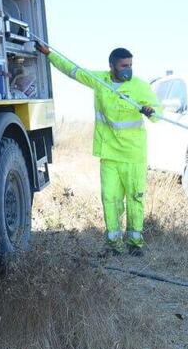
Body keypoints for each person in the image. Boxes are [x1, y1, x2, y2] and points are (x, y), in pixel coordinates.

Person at [36, 42, 161, 255]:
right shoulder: (100, 81)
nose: (128, 69)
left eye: (130, 65)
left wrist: (151, 112)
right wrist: (49, 54)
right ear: (111, 66)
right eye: (123, 66)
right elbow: (72, 70)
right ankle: (114, 245)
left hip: (134, 155)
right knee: (110, 199)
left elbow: (158, 113)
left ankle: (134, 244)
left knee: (135, 198)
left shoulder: (140, 87)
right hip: (110, 155)